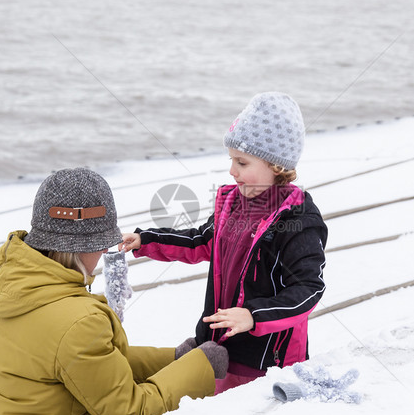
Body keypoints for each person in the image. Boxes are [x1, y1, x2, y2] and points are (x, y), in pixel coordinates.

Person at [0, 168, 228, 415]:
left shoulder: (18, 286)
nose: (105, 250)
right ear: (76, 247)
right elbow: (130, 413)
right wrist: (200, 365)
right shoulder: (76, 320)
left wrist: (174, 358)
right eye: (99, 243)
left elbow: (88, 362)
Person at [121, 92, 327, 394]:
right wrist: (146, 240)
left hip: (266, 359)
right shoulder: (232, 204)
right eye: (231, 160)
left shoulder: (299, 219)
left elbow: (309, 289)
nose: (232, 171)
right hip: (220, 342)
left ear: (276, 166)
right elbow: (201, 241)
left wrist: (253, 316)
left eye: (242, 162)